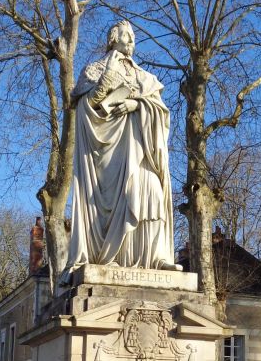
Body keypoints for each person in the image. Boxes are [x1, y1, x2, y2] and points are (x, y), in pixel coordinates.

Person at [67, 19, 181, 271]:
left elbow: (161, 113)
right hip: (110, 152)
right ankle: (113, 258)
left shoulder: (145, 76)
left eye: (133, 37)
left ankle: (156, 258)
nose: (131, 41)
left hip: (142, 149)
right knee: (122, 198)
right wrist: (108, 79)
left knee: (152, 192)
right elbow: (87, 106)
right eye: (126, 36)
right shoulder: (94, 70)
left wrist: (137, 105)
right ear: (113, 39)